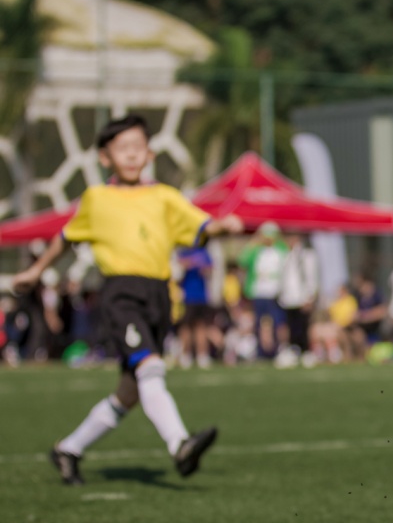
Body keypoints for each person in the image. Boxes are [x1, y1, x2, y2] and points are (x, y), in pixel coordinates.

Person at [12, 115, 242, 484]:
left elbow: (198, 227)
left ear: (149, 152)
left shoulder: (165, 196)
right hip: (121, 294)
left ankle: (68, 449)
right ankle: (179, 444)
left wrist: (222, 226)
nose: (132, 155)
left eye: (138, 147)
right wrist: (36, 271)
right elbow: (66, 236)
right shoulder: (97, 199)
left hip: (160, 296)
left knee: (129, 392)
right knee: (151, 368)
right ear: (106, 158)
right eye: (123, 149)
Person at [239, 221, 288, 359]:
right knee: (260, 323)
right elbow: (242, 260)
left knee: (279, 323)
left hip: (276, 293)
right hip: (259, 293)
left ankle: (281, 349)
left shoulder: (281, 249)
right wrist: (253, 241)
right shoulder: (256, 250)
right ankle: (262, 352)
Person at [278, 233, 320, 359]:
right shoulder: (285, 255)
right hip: (288, 299)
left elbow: (311, 277)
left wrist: (310, 297)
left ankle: (306, 352)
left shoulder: (306, 255)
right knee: (292, 327)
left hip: (302, 298)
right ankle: (293, 350)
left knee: (303, 327)